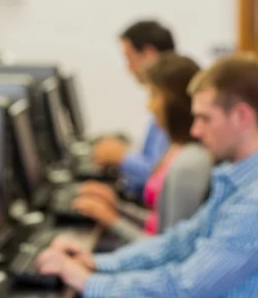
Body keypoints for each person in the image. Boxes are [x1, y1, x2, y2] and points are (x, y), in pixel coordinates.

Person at [36, 53, 258, 297]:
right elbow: (178, 243)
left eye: (205, 118)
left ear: (241, 117)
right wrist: (97, 264)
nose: (195, 131)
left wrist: (88, 282)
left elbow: (184, 287)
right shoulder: (238, 181)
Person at [73, 53, 212, 242]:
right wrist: (117, 208)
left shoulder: (190, 163)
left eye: (154, 95)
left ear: (175, 102)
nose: (149, 106)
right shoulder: (177, 149)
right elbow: (158, 224)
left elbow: (169, 250)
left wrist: (113, 221)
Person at [92, 20, 174, 196]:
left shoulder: (174, 101)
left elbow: (162, 176)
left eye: (129, 58)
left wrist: (122, 157)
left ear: (149, 54)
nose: (128, 68)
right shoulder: (165, 96)